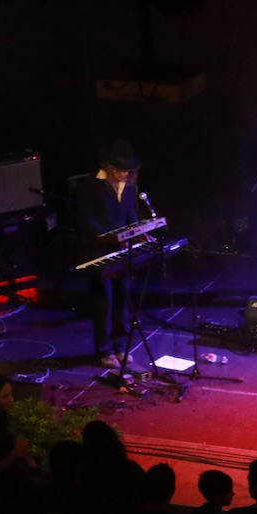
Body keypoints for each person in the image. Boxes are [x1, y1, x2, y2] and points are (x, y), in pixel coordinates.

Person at [74, 139, 146, 368]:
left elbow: (130, 212)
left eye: (128, 170)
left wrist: (138, 232)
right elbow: (85, 221)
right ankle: (103, 350)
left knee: (123, 297)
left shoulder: (130, 185)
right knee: (103, 301)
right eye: (120, 170)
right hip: (98, 251)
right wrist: (110, 237)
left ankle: (120, 346)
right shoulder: (90, 185)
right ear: (109, 166)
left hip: (121, 251)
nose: (124, 174)